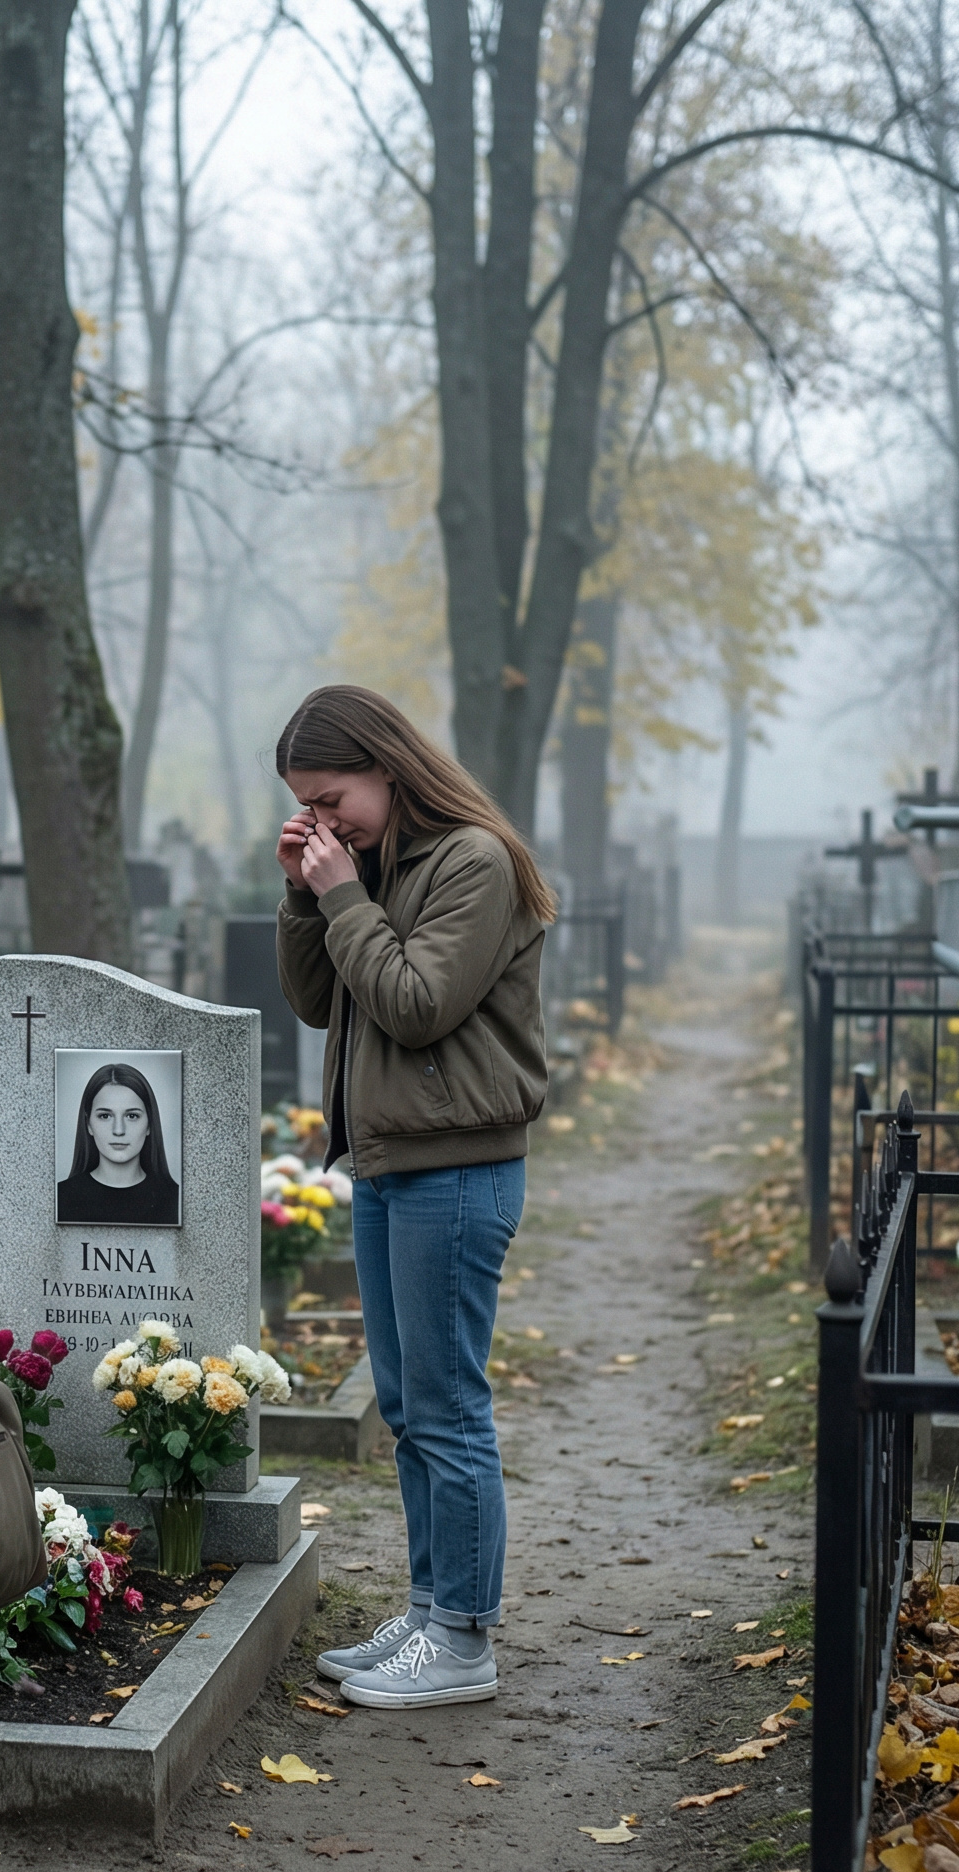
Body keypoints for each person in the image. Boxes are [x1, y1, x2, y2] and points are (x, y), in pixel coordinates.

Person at [273, 684, 552, 1710]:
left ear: (387, 767)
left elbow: (415, 1004)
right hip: (391, 1162)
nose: (323, 817)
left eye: (331, 794)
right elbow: (317, 1003)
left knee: (445, 1405)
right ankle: (434, 1606)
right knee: (405, 1406)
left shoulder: (469, 862)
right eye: (305, 802)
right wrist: (307, 893)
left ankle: (463, 1641)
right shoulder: (378, 864)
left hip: (457, 1166)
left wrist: (342, 891)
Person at [56, 1062, 180, 1225]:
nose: (119, 1130)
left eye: (132, 1116)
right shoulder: (58, 1198)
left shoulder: (178, 1200)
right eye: (105, 1116)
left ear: (150, 1124)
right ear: (88, 1125)